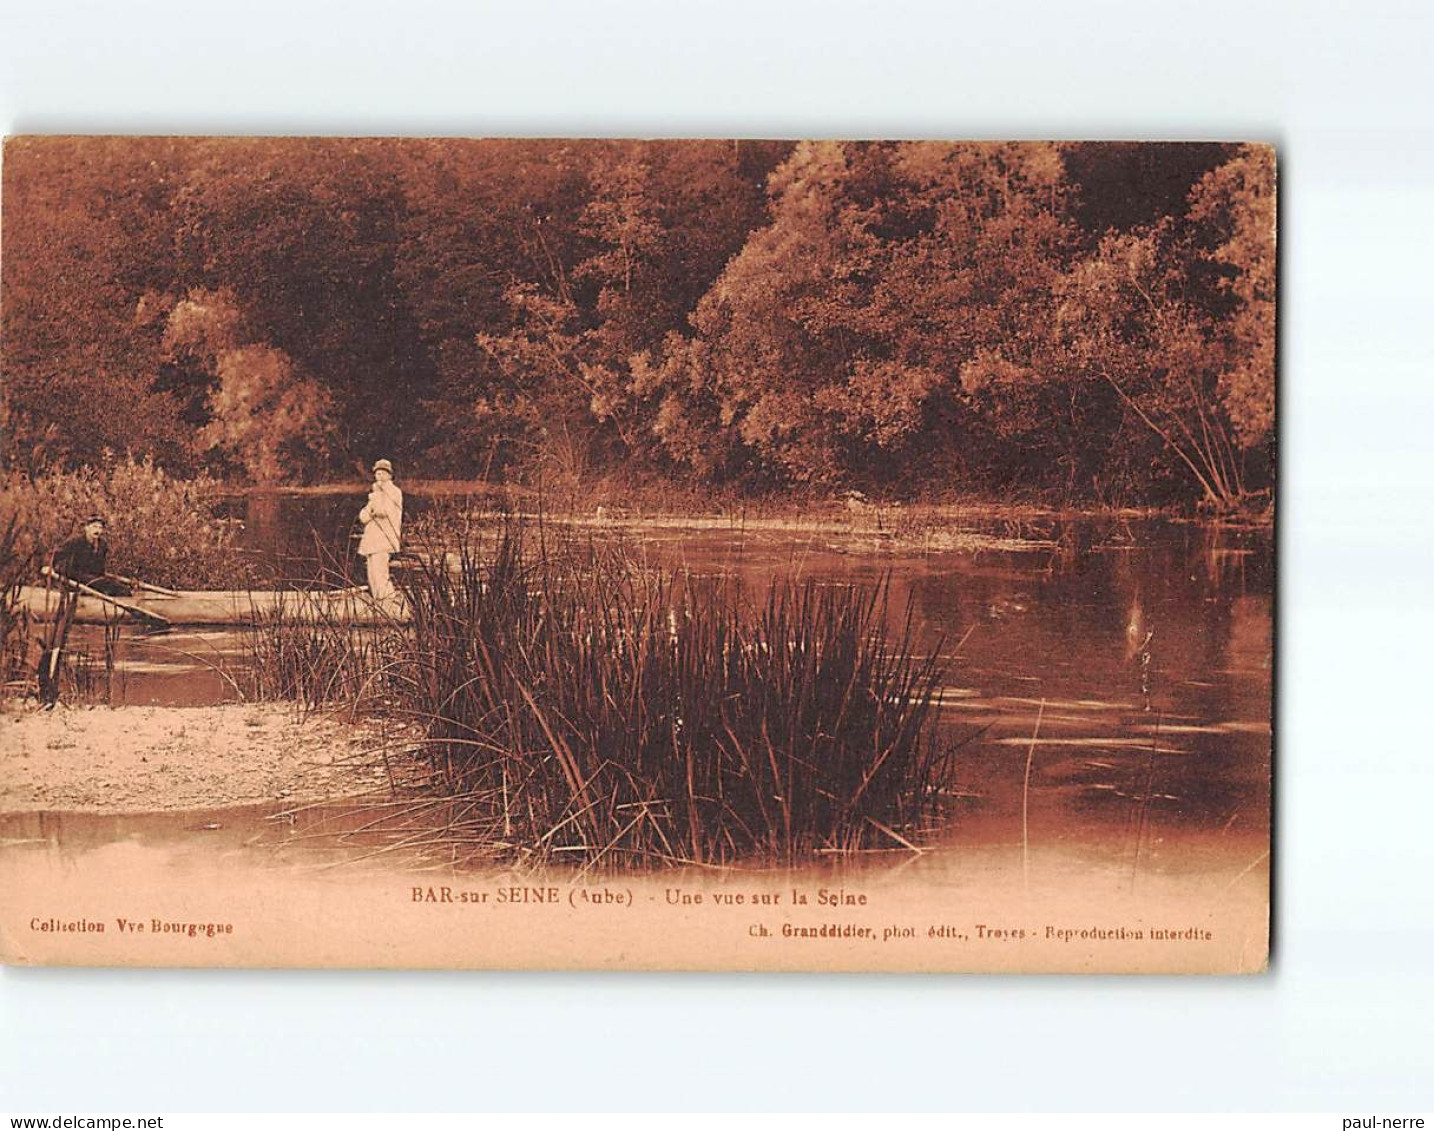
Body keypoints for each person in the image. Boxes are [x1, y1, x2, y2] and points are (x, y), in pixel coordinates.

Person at [50, 515, 132, 597]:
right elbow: (56, 553)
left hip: (95, 578)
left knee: (120, 588)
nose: (97, 530)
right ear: (86, 528)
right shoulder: (76, 541)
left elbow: (100, 568)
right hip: (76, 576)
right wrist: (48, 566)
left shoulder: (102, 545)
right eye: (94, 527)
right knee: (106, 585)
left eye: (100, 528)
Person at [357, 458, 403, 602]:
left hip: (384, 538)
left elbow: (383, 511)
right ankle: (378, 599)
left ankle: (387, 600)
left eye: (383, 473)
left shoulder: (394, 492)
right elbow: (363, 516)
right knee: (371, 570)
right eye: (378, 474)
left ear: (390, 475)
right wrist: (371, 508)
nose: (380, 477)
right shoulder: (375, 494)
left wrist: (372, 507)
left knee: (380, 570)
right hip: (372, 539)